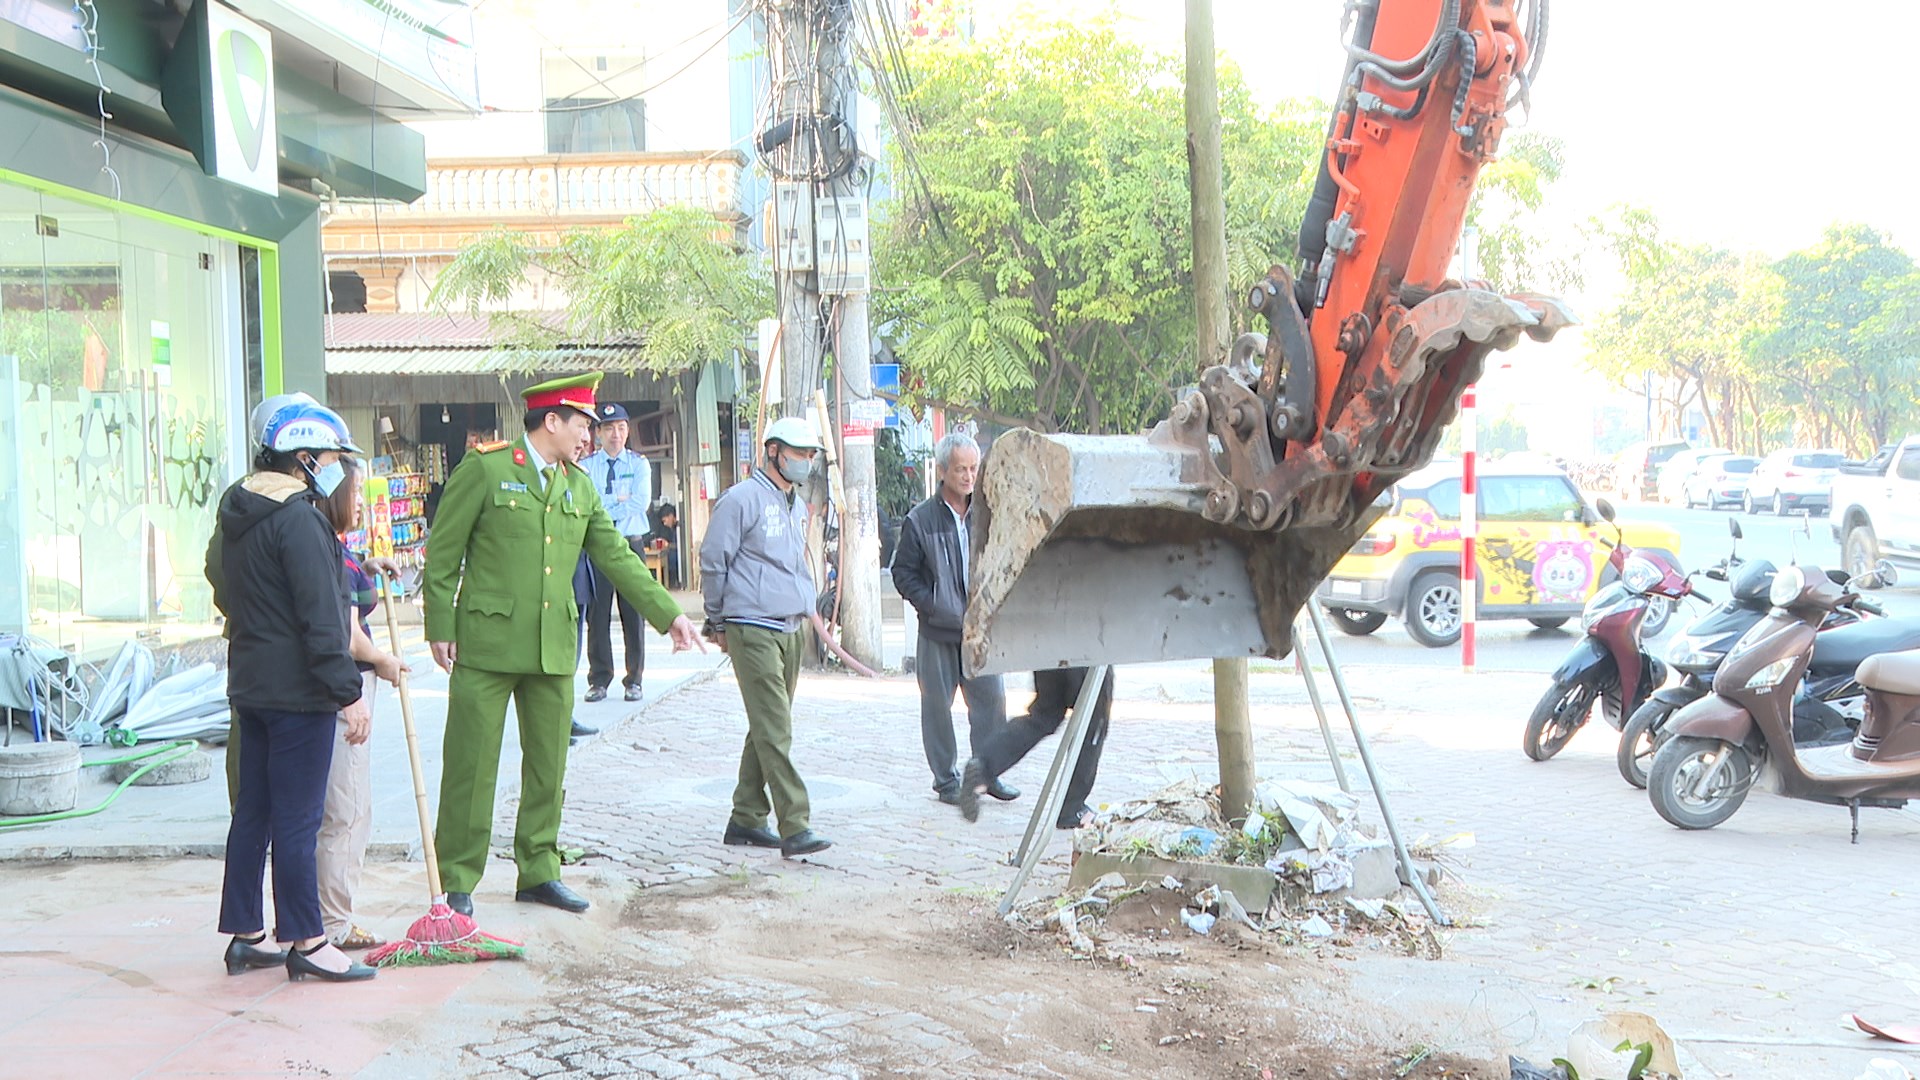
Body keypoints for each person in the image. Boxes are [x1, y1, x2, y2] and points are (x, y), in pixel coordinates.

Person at [424, 373, 704, 918]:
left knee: (549, 768)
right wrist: (441, 624)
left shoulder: (580, 486)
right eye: (582, 425)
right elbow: (444, 552)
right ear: (550, 421)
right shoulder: (487, 470)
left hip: (553, 646)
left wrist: (667, 615)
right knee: (470, 766)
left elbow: (618, 557)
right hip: (484, 644)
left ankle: (539, 870)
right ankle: (457, 877)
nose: (589, 437)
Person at [205, 397, 376, 983]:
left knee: (253, 812)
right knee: (299, 820)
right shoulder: (301, 517)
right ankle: (307, 940)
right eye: (330, 456)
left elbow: (224, 587)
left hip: (250, 683)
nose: (337, 467)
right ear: (303, 458)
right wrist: (348, 691)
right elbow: (321, 617)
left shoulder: (238, 506)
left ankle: (246, 934)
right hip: (298, 691)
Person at [700, 417, 833, 859]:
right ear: (773, 451)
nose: (806, 462)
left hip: (789, 626)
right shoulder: (740, 500)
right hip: (751, 625)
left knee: (767, 724)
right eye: (799, 453)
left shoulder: (795, 504)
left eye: (811, 455)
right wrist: (716, 620)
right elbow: (714, 560)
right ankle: (795, 824)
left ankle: (746, 817)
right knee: (776, 727)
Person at [889, 432, 1016, 807]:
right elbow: (903, 572)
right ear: (942, 471)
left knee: (992, 702)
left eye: (973, 468)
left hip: (980, 631)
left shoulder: (988, 512)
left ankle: (988, 773)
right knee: (937, 708)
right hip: (938, 631)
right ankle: (946, 780)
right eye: (960, 469)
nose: (968, 476)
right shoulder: (920, 520)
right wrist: (932, 604)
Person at [314, 463, 407, 951]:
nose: (359, 504)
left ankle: (330, 915)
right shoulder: (327, 551)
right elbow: (346, 637)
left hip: (349, 689)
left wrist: (367, 568)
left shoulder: (339, 550)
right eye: (354, 493)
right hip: (346, 691)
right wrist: (384, 659)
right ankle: (334, 922)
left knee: (350, 805)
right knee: (347, 810)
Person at [958, 667, 1113, 830]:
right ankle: (1072, 807)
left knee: (1044, 715)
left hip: (1050, 650)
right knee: (1094, 722)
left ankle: (984, 765)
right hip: (1088, 651)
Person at [580, 402, 652, 703]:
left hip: (630, 543)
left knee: (633, 613)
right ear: (598, 432)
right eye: (609, 428)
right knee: (597, 615)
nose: (615, 434)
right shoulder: (587, 466)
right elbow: (586, 503)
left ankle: (634, 679)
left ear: (627, 430)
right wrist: (609, 512)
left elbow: (641, 502)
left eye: (621, 428)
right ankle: (599, 679)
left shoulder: (638, 464)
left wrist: (605, 513)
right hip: (598, 547)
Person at [644, 503, 683, 590]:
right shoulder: (668, 529)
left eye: (665, 521)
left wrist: (668, 545)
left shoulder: (680, 528)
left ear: (671, 516)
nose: (664, 524)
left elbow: (681, 546)